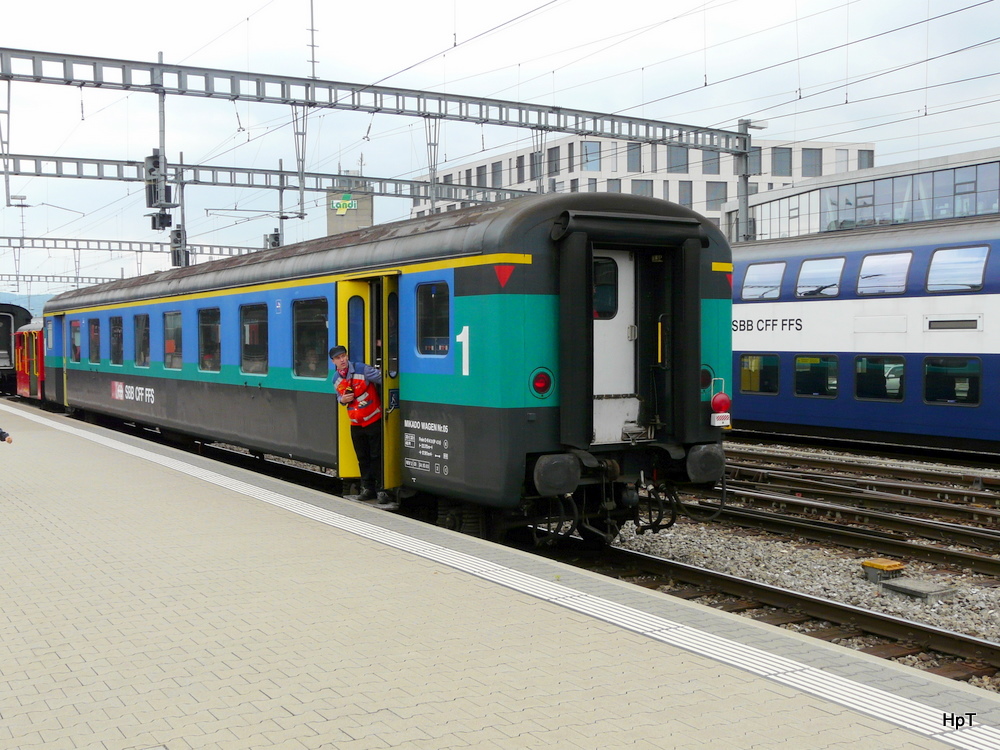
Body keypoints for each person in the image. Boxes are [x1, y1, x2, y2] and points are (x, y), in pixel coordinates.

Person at [330, 345, 397, 510]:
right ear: (333, 362)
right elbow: (339, 397)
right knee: (363, 457)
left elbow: (385, 379)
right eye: (338, 358)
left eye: (344, 356)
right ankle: (368, 489)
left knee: (376, 456)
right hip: (356, 424)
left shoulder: (362, 369)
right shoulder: (335, 379)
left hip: (373, 420)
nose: (343, 360)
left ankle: (382, 490)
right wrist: (343, 399)